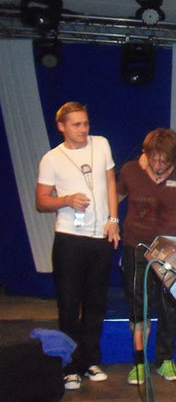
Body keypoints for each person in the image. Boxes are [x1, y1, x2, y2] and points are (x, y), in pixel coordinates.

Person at [36, 101, 120, 391]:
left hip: (101, 237)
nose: (83, 129)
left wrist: (113, 219)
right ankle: (69, 366)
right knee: (69, 304)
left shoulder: (101, 144)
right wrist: (66, 200)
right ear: (61, 126)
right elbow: (41, 201)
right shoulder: (51, 159)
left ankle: (90, 361)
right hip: (69, 239)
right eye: (76, 124)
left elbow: (110, 181)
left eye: (85, 123)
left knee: (96, 304)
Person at [117, 128, 176, 385]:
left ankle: (165, 359)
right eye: (153, 159)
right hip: (135, 246)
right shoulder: (130, 171)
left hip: (168, 248)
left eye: (164, 161)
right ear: (146, 154)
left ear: (175, 159)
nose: (158, 165)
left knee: (170, 306)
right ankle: (139, 362)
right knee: (139, 307)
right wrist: (111, 221)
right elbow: (114, 197)